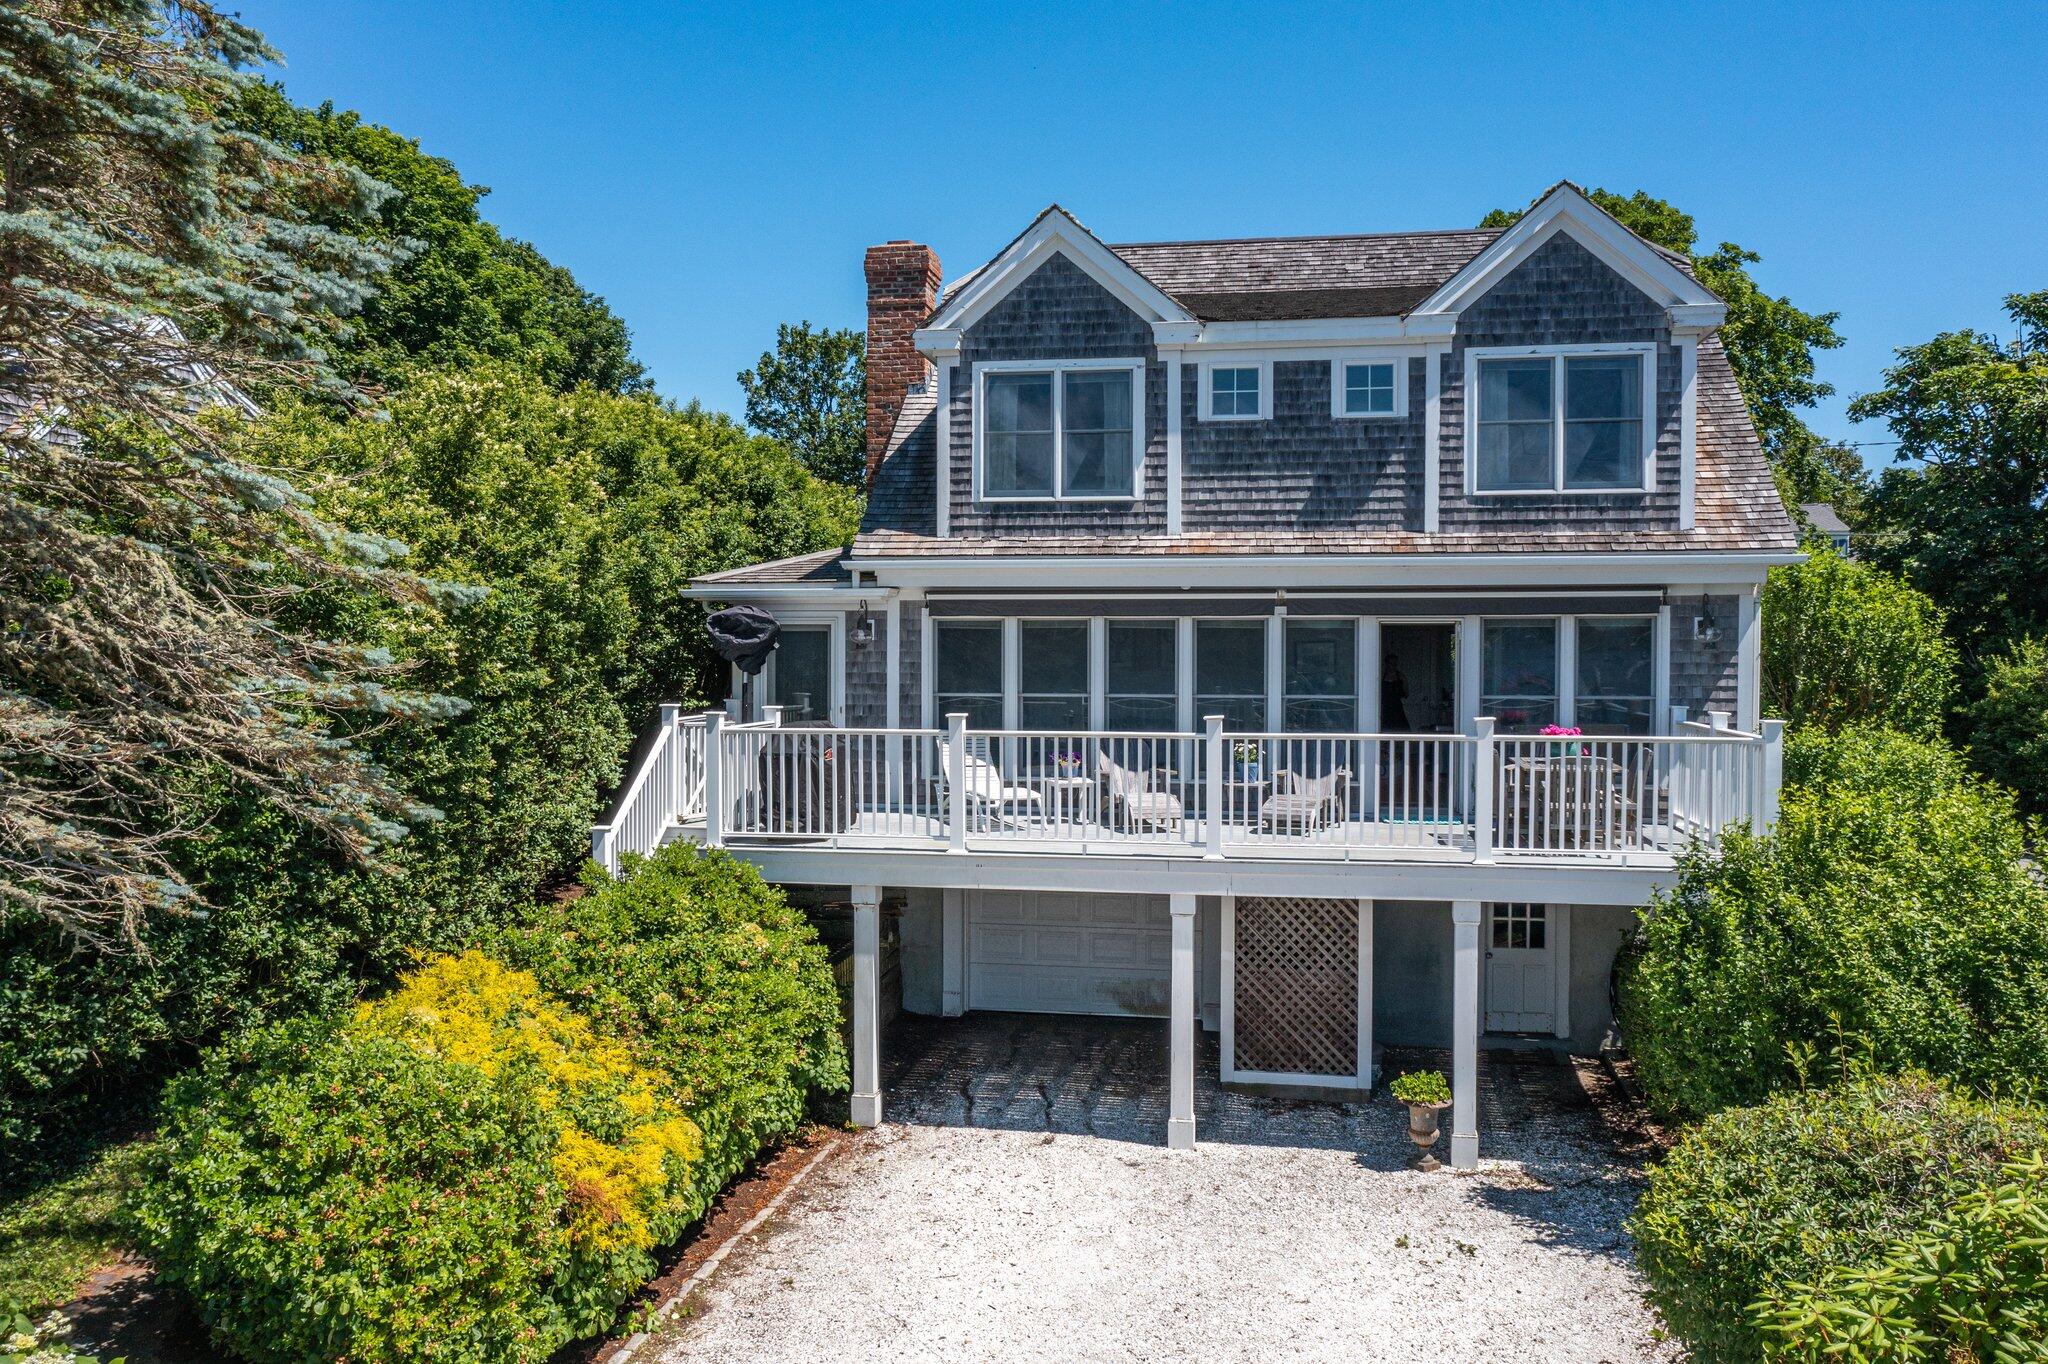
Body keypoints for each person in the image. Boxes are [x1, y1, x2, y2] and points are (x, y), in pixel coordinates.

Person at [1382, 659, 1410, 732]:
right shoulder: (1381, 676)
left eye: (1394, 664)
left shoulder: (1400, 677)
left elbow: (1406, 693)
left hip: (1396, 706)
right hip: (1385, 705)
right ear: (1386, 665)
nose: (1392, 666)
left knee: (1401, 726)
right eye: (1390, 664)